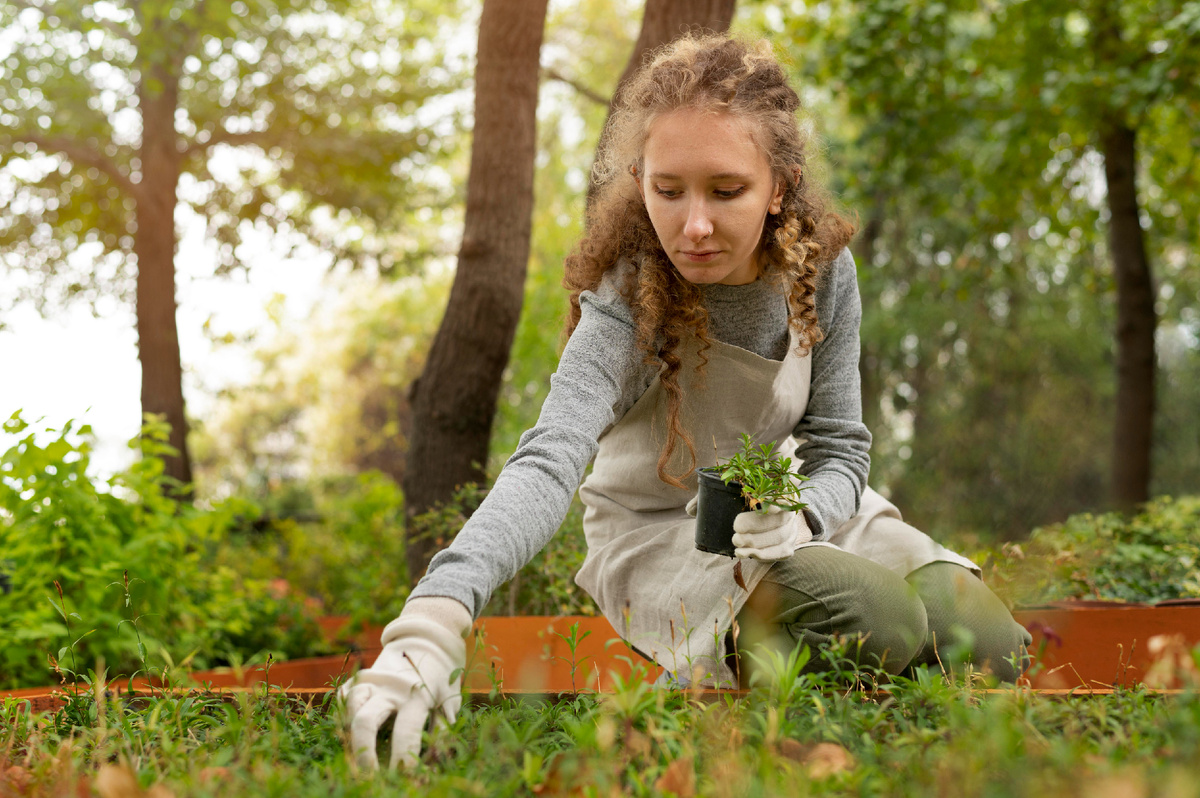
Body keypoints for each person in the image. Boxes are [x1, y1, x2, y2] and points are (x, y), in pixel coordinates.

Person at [340, 33, 1032, 769]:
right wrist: (436, 615)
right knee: (877, 618)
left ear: (780, 187)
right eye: (667, 191)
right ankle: (784, 733)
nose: (692, 225)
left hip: (788, 514)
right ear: (639, 179)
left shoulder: (822, 271)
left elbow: (840, 447)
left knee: (988, 642)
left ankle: (881, 726)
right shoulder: (625, 302)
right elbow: (549, 460)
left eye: (725, 191)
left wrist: (803, 516)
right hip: (660, 532)